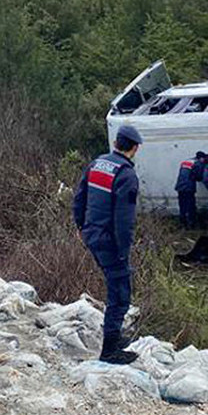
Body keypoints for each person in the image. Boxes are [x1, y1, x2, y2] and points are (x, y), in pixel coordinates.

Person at [73, 124, 143, 365]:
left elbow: (79, 198)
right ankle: (110, 350)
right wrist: (123, 251)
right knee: (120, 293)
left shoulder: (97, 164)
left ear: (115, 144)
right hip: (109, 241)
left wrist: (81, 227)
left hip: (92, 235)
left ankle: (115, 338)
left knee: (116, 287)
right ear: (135, 148)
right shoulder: (126, 175)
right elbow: (124, 220)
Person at [174, 152, 205, 230]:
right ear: (201, 158)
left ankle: (182, 224)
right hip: (188, 187)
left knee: (182, 205)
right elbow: (198, 176)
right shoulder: (198, 163)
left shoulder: (186, 161)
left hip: (180, 186)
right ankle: (191, 224)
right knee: (190, 206)